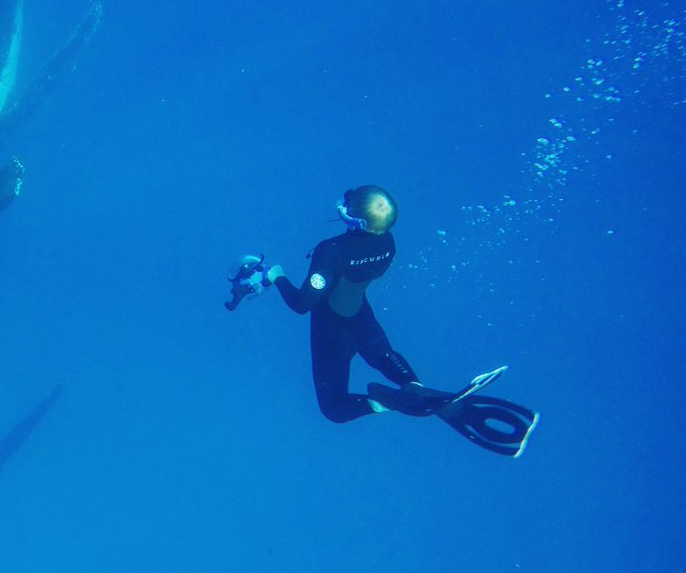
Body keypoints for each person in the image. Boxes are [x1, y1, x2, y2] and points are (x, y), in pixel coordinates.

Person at [228, 185, 538, 456]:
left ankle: (389, 403)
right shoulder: (388, 243)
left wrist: (276, 275)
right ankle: (416, 388)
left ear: (357, 219)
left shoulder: (331, 250)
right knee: (386, 359)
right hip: (363, 321)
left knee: (334, 409)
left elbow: (302, 304)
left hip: (332, 332)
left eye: (350, 205)